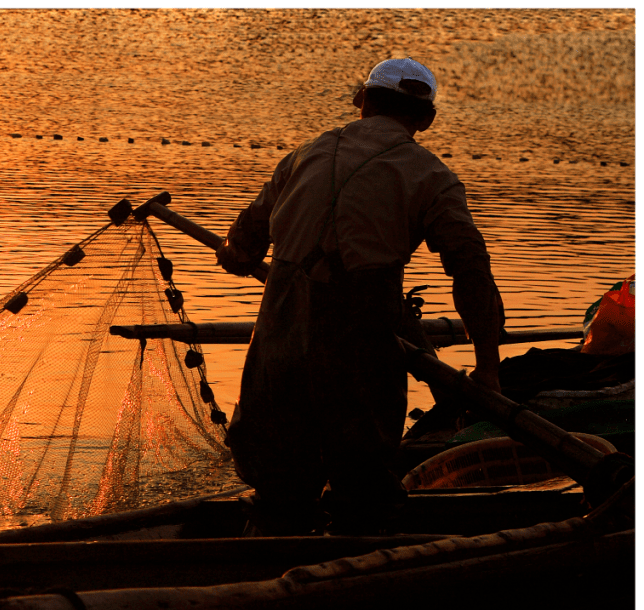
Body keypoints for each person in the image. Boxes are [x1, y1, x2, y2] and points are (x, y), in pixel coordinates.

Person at [216, 57, 505, 534]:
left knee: (279, 484)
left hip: (280, 343)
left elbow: (242, 246)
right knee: (364, 487)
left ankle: (271, 559)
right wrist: (488, 370)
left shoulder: (302, 156)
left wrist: (235, 255)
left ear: (362, 102)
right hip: (361, 346)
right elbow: (471, 271)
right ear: (426, 120)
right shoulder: (433, 177)